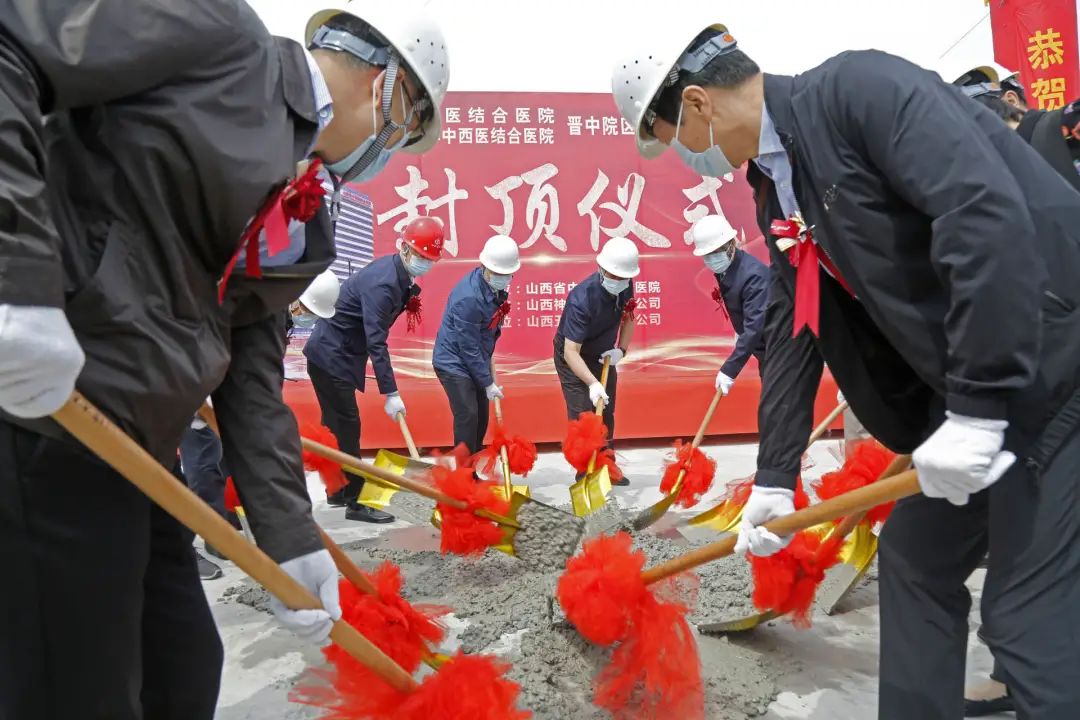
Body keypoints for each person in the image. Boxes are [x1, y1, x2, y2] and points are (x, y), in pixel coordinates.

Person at [612, 23, 1080, 720]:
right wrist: (773, 479)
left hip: (1055, 364)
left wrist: (977, 408)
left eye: (670, 137)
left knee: (1025, 617)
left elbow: (978, 211)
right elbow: (794, 325)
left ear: (699, 106)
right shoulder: (778, 184)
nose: (685, 159)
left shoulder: (858, 93)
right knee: (917, 557)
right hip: (995, 391)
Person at [0, 0, 449, 717]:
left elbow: (251, 377)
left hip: (142, 448)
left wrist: (288, 537)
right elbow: (13, 42)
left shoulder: (308, 220)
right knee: (78, 685)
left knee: (182, 668)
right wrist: (16, 280)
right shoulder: (217, 37)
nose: (387, 150)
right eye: (404, 131)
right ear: (390, 86)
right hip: (49, 415)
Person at [304, 216, 445, 521]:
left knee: (334, 427)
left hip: (331, 352)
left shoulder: (398, 275)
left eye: (429, 258)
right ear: (405, 249)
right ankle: (355, 501)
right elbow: (376, 341)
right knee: (347, 428)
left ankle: (336, 491)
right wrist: (391, 392)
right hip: (331, 356)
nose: (424, 262)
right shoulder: (383, 284)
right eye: (419, 255)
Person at [553, 237, 640, 487]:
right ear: (601, 269)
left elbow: (629, 316)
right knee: (583, 414)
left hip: (603, 353)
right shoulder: (582, 298)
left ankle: (607, 465)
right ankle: (585, 472)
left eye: (622, 277)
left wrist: (621, 350)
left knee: (606, 410)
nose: (618, 281)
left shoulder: (625, 283)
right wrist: (592, 383)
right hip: (572, 356)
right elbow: (571, 351)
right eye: (612, 275)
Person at [433, 235, 520, 455]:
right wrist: (488, 383)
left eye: (507, 274)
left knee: (481, 416)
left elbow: (485, 335)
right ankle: (462, 476)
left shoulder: (493, 287)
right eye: (499, 274)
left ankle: (471, 470)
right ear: (485, 267)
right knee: (468, 415)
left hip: (475, 359)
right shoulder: (469, 298)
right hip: (453, 362)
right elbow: (468, 347)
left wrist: (488, 373)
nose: (504, 278)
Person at [689, 214, 768, 396]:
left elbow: (754, 329)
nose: (711, 258)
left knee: (779, 412)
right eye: (707, 254)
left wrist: (729, 370)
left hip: (782, 351)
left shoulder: (753, 276)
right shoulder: (730, 269)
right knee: (774, 413)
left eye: (716, 252)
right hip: (767, 352)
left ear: (732, 244)